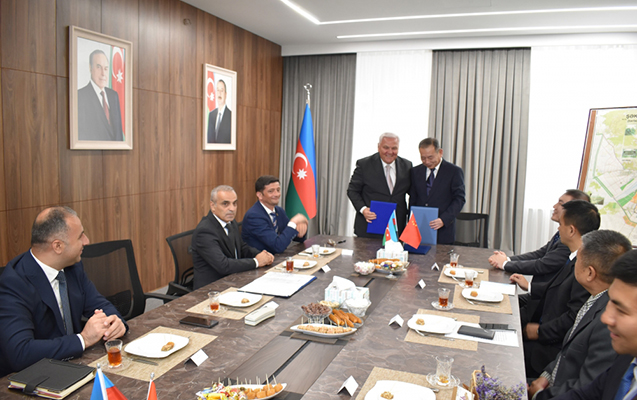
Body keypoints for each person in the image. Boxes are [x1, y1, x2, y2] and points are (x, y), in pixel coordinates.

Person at [0, 207, 127, 377]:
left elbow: (100, 304)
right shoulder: (13, 284)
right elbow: (20, 352)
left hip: (74, 367)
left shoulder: (72, 267)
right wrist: (83, 339)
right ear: (58, 246)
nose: (87, 241)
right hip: (33, 378)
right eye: (80, 236)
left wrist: (115, 323)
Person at [529, 230, 631, 400]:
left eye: (577, 259)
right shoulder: (595, 299)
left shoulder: (609, 324)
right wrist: (546, 375)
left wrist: (540, 395)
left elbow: (586, 388)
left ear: (590, 273)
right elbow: (567, 349)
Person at [512, 200, 600, 379]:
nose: (558, 229)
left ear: (571, 230)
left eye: (561, 224)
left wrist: (539, 331)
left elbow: (573, 317)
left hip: (546, 350)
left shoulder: (583, 269)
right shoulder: (572, 258)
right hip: (540, 333)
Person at [551, 250, 637, 400]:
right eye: (610, 302)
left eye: (621, 310)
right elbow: (584, 395)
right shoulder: (627, 359)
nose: (605, 318)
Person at [489, 189, 590, 285]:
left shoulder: (571, 241)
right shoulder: (561, 232)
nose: (554, 206)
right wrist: (507, 259)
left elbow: (543, 264)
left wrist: (505, 264)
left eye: (560, 203)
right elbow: (540, 253)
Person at [192, 185, 274, 289]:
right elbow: (223, 265)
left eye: (234, 203)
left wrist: (261, 255)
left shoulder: (230, 222)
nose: (232, 209)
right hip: (212, 289)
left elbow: (242, 248)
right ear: (213, 206)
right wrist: (256, 262)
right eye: (225, 204)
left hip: (233, 279)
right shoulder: (205, 231)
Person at [347, 133, 412, 238]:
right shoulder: (364, 164)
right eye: (386, 147)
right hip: (369, 225)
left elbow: (413, 192)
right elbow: (352, 190)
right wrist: (363, 209)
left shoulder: (407, 165)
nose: (390, 152)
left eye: (394, 148)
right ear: (378, 147)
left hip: (397, 227)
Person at [409, 137, 465, 244]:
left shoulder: (454, 171)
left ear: (440, 152)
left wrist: (444, 219)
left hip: (443, 229)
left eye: (430, 157)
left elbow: (459, 199)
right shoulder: (415, 172)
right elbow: (413, 198)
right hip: (419, 227)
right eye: (423, 158)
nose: (427, 161)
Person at [241, 176, 308, 254]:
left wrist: (301, 227)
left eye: (278, 190)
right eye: (271, 191)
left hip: (277, 258)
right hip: (261, 260)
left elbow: (296, 237)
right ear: (260, 195)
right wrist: (294, 222)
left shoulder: (279, 211)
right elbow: (277, 246)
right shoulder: (254, 216)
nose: (276, 194)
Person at [77, 49, 124, 141]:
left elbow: (118, 133)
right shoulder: (80, 96)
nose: (103, 73)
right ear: (90, 68)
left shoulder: (114, 96)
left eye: (105, 68)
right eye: (99, 67)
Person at [207, 79, 232, 144]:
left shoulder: (231, 116)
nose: (219, 93)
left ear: (225, 94)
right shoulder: (211, 115)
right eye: (218, 90)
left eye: (222, 90)